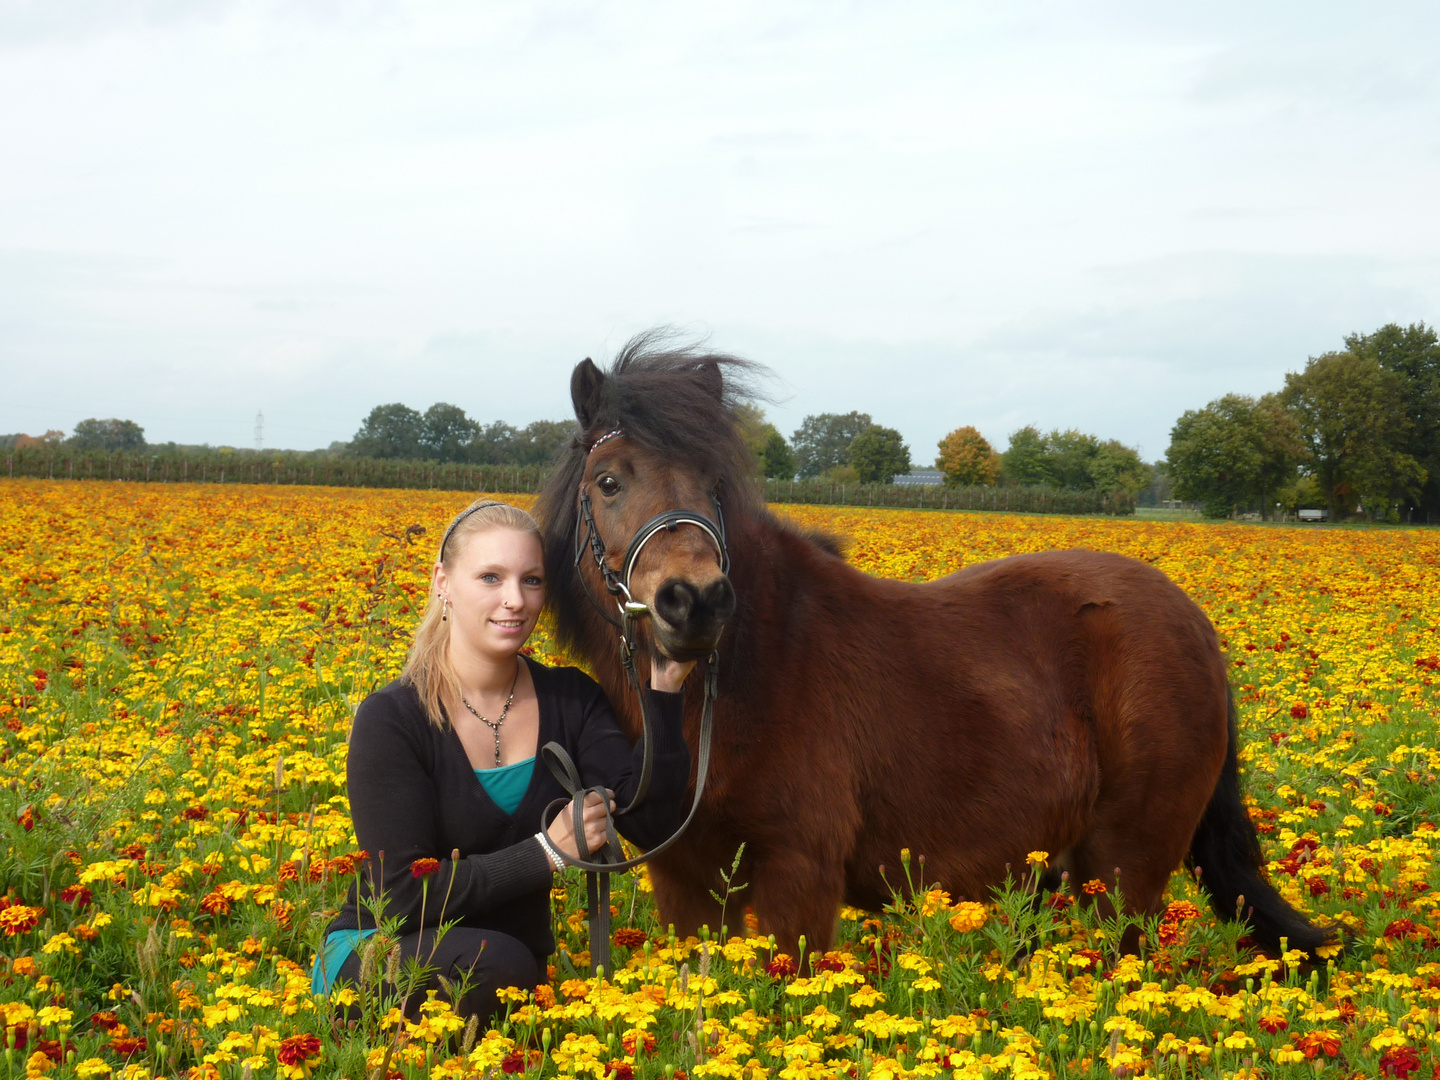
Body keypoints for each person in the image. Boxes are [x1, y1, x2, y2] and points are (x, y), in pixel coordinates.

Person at [311, 500, 694, 1021]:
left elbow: (650, 820)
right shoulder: (393, 718)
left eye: (531, 581)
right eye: (491, 577)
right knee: (503, 968)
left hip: (505, 961)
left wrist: (665, 685)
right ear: (443, 582)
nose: (515, 600)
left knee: (509, 970)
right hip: (382, 948)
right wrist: (546, 854)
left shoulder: (571, 700)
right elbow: (400, 897)